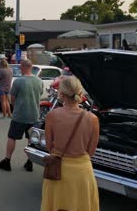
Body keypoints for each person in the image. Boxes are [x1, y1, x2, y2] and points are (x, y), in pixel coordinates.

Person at [41, 76, 99, 211]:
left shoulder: (52, 116)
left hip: (57, 171)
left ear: (61, 94)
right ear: (80, 93)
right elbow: (91, 151)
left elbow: (49, 146)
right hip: (82, 173)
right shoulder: (93, 119)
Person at [0, 59, 43, 172]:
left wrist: (16, 106)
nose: (20, 69)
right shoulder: (39, 81)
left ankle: (7, 161)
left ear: (23, 68)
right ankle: (29, 162)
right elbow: (39, 95)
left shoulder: (18, 81)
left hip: (20, 115)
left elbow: (13, 99)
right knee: (31, 138)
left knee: (12, 137)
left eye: (21, 67)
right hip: (34, 114)